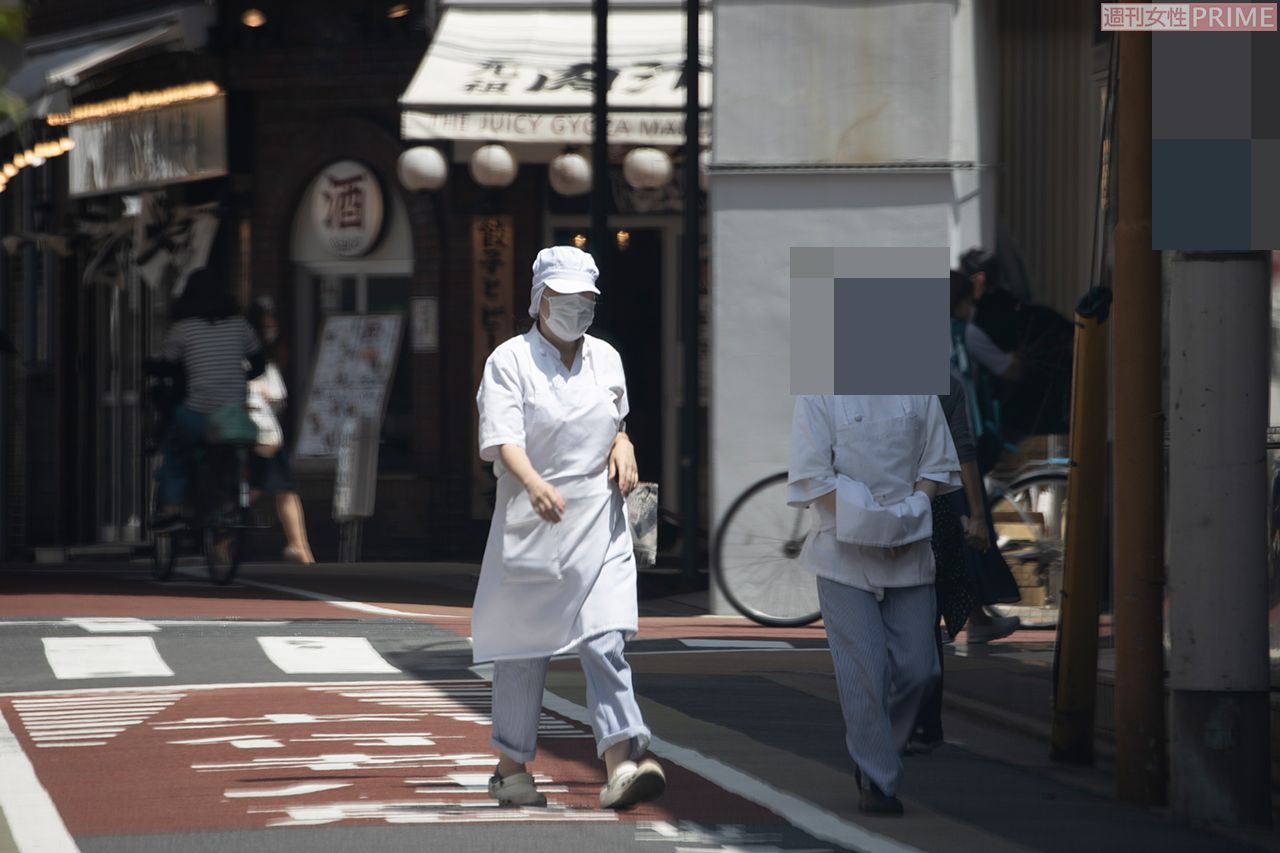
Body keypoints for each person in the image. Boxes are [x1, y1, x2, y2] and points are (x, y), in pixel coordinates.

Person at [473, 245, 666, 811]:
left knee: (606, 638)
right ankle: (510, 767)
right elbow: (503, 439)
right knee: (522, 649)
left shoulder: (606, 357)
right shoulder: (508, 360)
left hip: (599, 520)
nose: (576, 309)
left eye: (586, 301)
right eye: (564, 299)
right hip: (535, 521)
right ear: (540, 299)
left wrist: (624, 443)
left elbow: (616, 418)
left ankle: (623, 761)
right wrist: (533, 483)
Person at [788, 394, 961, 815]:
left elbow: (935, 464)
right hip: (842, 553)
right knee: (865, 670)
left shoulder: (918, 388)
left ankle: (881, 750)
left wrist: (909, 514)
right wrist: (873, 521)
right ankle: (877, 776)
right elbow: (812, 476)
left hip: (910, 547)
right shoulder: (818, 391)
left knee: (921, 670)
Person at [907, 368, 1020, 755]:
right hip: (932, 508)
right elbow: (964, 449)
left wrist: (976, 514)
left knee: (909, 614)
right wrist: (975, 514)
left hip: (898, 507)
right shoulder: (944, 380)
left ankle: (913, 721)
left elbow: (964, 449)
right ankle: (924, 724)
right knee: (923, 613)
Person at [152, 269, 264, 530]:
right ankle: (234, 505)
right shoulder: (240, 325)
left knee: (176, 453)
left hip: (197, 411)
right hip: (232, 413)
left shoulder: (183, 329)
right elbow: (259, 363)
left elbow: (167, 365)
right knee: (234, 455)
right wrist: (237, 377)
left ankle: (172, 511)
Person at [246, 296, 316, 564]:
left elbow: (277, 393)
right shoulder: (251, 352)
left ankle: (299, 546)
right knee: (271, 488)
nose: (271, 325)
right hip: (258, 430)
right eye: (267, 320)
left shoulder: (266, 354)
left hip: (263, 431)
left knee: (267, 488)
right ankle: (299, 546)